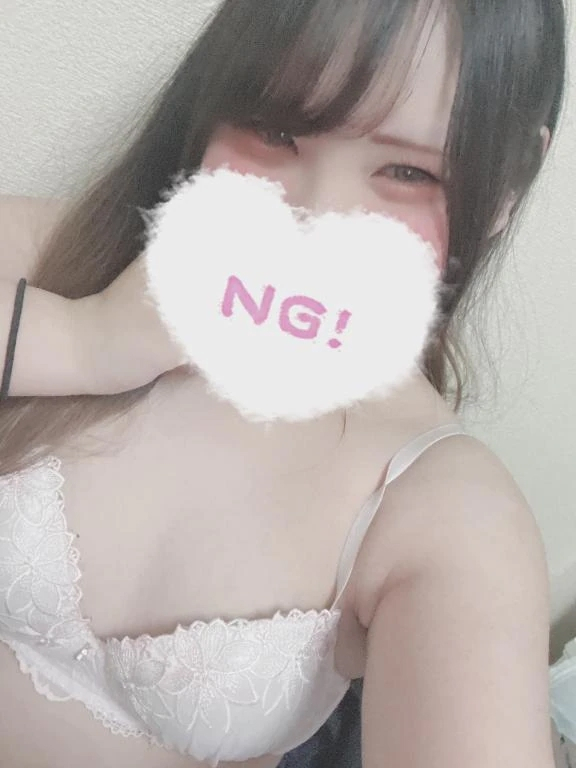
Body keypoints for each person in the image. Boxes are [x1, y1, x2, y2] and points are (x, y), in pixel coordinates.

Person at [0, 0, 566, 767]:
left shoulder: (447, 513)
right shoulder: (73, 256)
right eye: (274, 132)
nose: (313, 217)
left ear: (504, 188)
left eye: (407, 172)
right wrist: (80, 342)